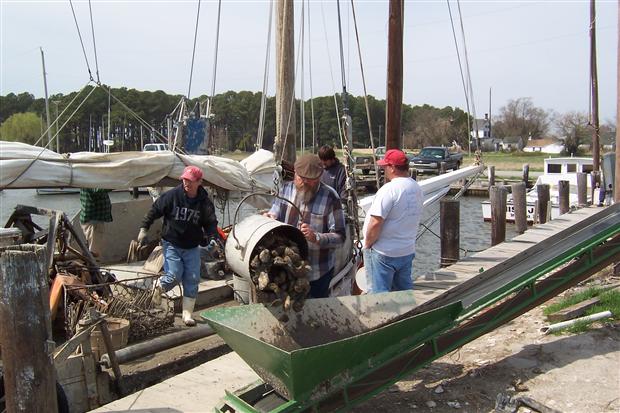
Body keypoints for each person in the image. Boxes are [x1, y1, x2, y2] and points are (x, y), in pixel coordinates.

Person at [138, 165, 219, 326]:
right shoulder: (172, 196)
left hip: (192, 246)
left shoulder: (204, 202)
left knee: (193, 278)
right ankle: (158, 286)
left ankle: (187, 314)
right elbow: (155, 210)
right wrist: (144, 228)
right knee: (174, 274)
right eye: (184, 180)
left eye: (190, 181)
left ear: (199, 182)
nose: (186, 183)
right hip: (172, 243)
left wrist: (213, 238)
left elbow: (210, 222)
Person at [266, 154, 346, 298]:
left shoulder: (331, 198)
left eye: (310, 181)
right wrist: (269, 218)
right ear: (295, 173)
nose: (304, 183)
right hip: (287, 269)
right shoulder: (285, 190)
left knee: (315, 312)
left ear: (320, 177)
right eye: (301, 178)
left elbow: (340, 237)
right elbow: (274, 213)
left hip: (317, 272)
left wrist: (316, 237)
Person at [362, 149, 422, 293]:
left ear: (393, 168)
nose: (384, 170)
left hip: (384, 252)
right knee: (404, 293)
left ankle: (381, 315)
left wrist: (368, 243)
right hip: (406, 250)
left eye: (385, 167)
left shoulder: (389, 189)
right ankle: (407, 315)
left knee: (379, 296)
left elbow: (376, 222)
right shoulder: (416, 187)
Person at [79, 188, 113, 259]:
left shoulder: (91, 181)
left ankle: (91, 265)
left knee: (93, 248)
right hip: (93, 221)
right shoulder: (91, 183)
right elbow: (97, 190)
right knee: (94, 252)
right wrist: (114, 183)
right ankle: (92, 267)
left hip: (95, 219)